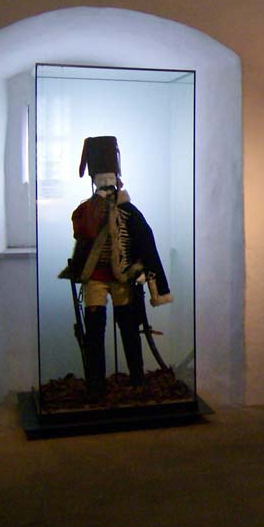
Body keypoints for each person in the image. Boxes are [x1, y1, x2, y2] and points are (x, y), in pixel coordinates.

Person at [62, 136, 173, 400]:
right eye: (100, 179)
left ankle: (137, 378)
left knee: (128, 327)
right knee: (94, 329)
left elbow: (145, 242)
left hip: (123, 276)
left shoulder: (130, 212)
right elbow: (81, 238)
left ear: (116, 179)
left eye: (108, 179)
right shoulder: (86, 211)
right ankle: (96, 384)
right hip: (95, 277)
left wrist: (146, 275)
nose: (105, 185)